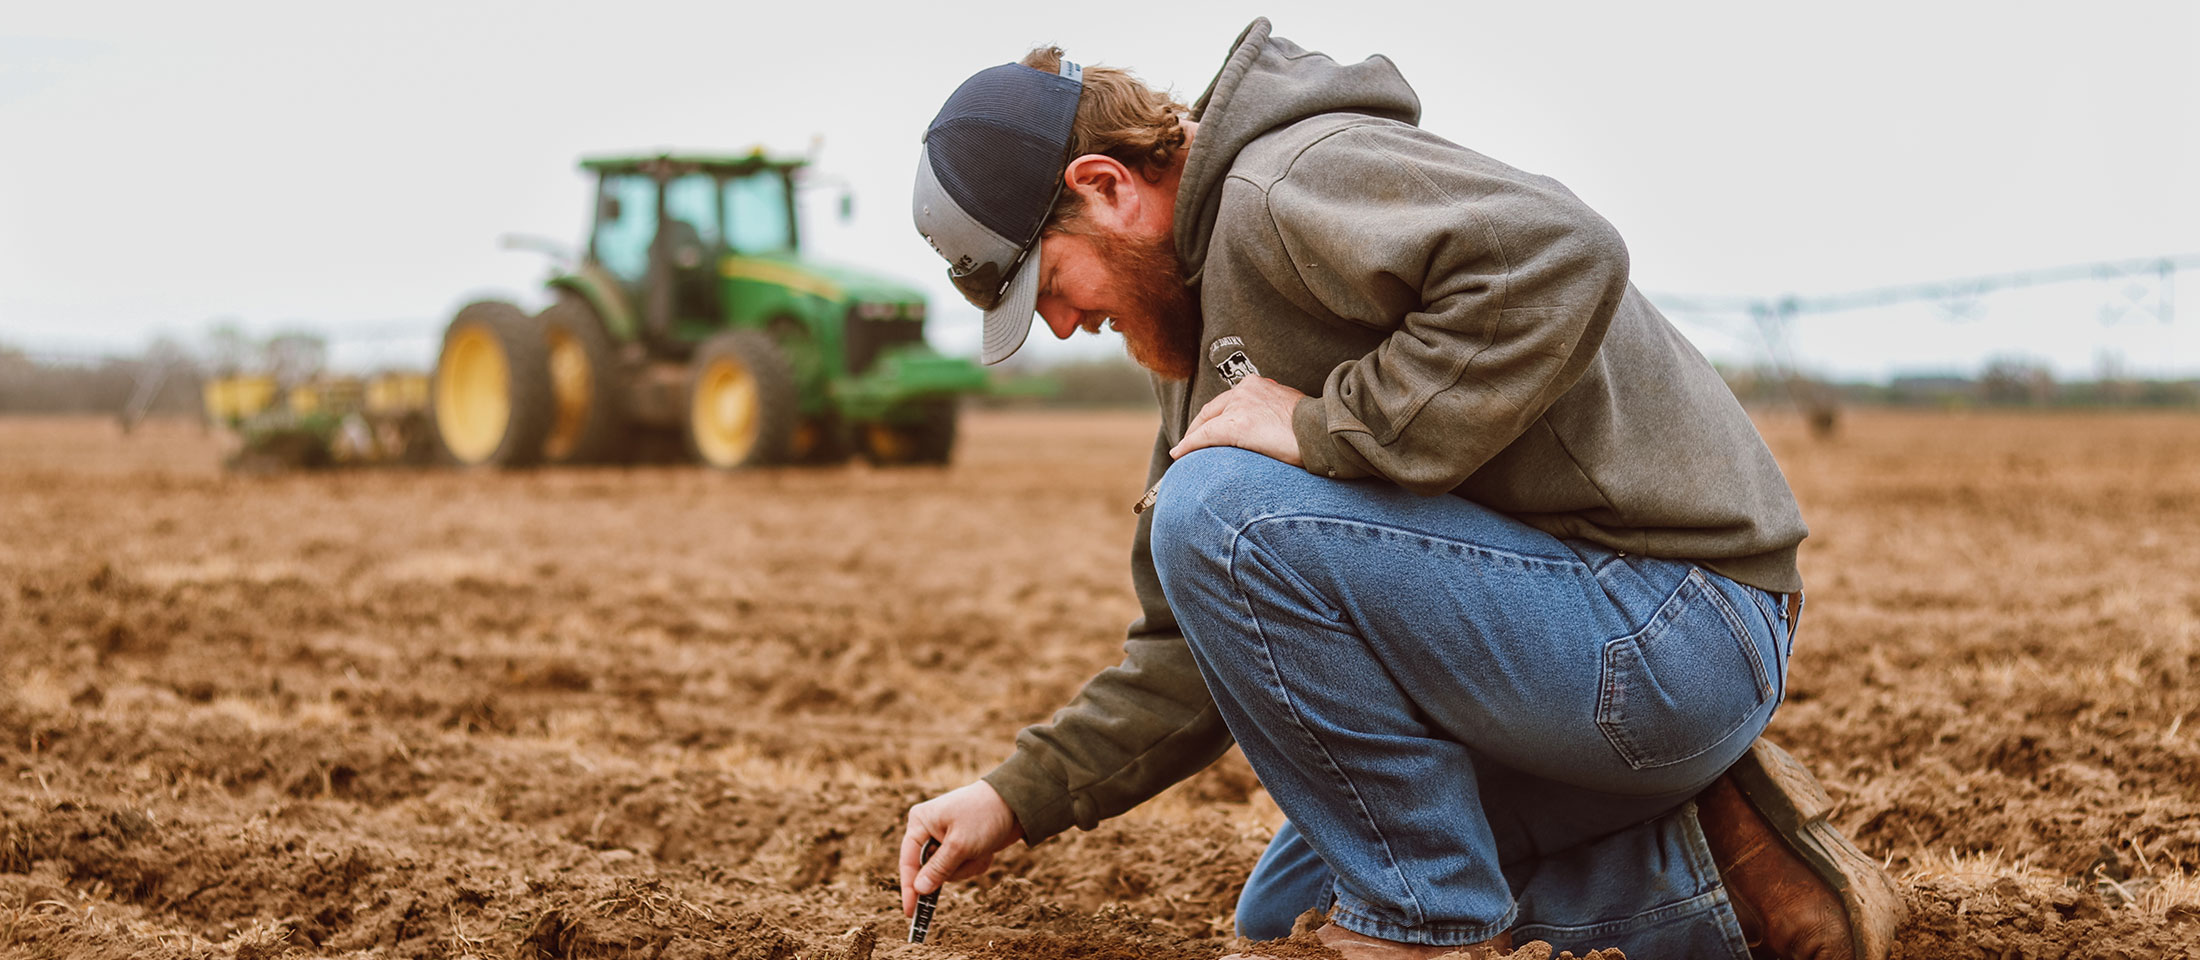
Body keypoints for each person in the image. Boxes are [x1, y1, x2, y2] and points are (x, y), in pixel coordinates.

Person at [899, 20, 1904, 960]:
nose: (1064, 327)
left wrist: (1320, 428)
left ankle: (1424, 927)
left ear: (1106, 185)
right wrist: (1016, 795)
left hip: (1675, 627)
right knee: (1285, 917)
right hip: (1576, 659)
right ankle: (1737, 875)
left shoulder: (1285, 181)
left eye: (1051, 284)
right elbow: (1196, 639)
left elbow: (1561, 253)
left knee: (1217, 515)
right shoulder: (1201, 341)